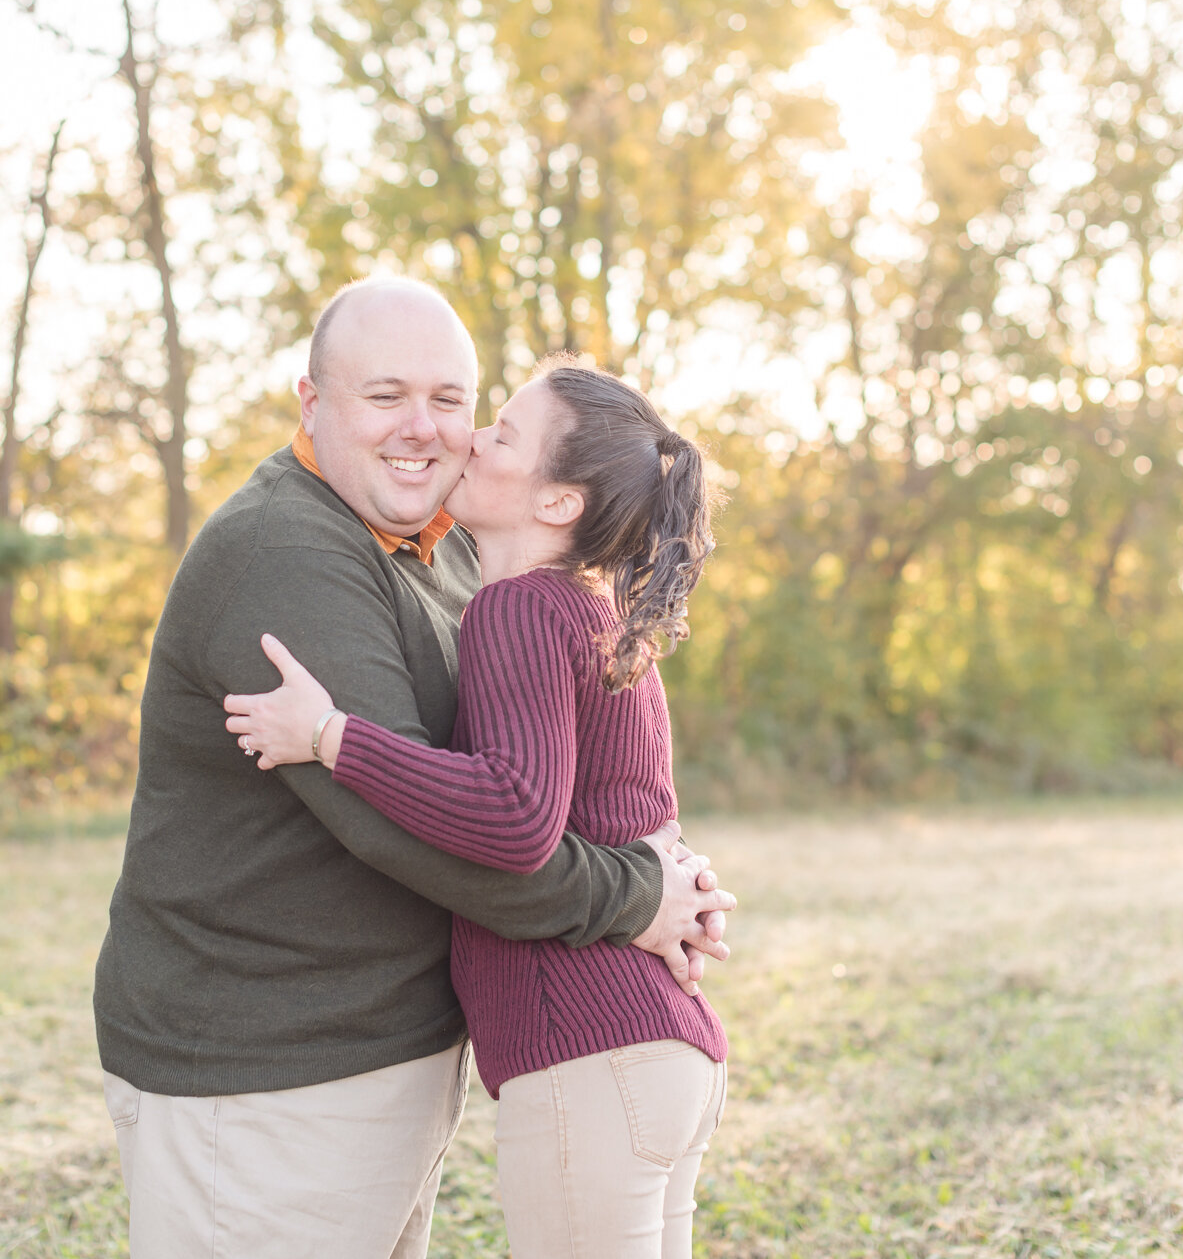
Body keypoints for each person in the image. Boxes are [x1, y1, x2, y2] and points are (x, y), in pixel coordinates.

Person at [92, 278, 736, 1259]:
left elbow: (556, 764)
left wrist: (657, 860)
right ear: (312, 402)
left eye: (452, 401)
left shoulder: (464, 553)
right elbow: (431, 833)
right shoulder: (288, 550)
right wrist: (638, 891)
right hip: (266, 1071)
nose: (431, 431)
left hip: (390, 1052)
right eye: (384, 394)